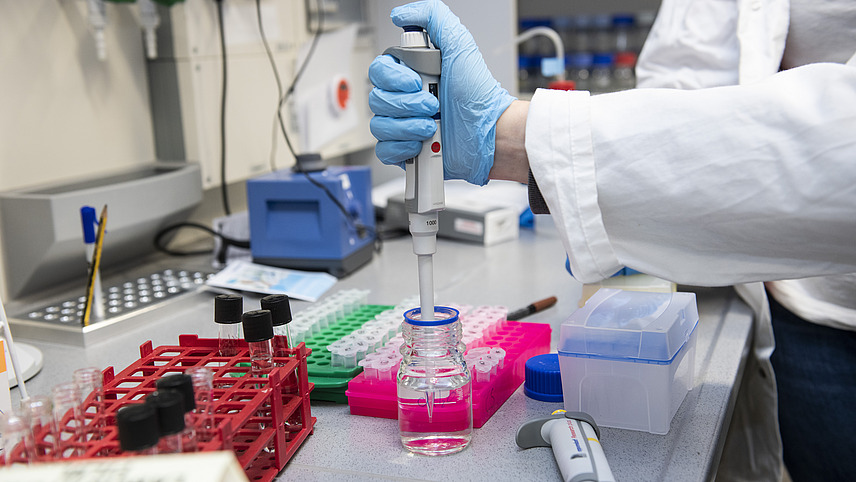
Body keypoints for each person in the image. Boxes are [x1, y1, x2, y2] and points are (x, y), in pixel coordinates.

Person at [368, 1, 856, 481]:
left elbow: (836, 145)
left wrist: (515, 136)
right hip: (804, 302)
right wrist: (636, 206)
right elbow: (682, 81)